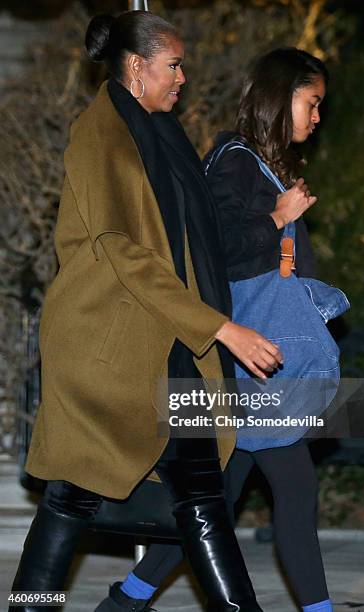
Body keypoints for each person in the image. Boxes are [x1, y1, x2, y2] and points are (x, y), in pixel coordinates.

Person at [8, 11, 286, 612]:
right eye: (174, 65)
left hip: (172, 347)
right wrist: (221, 328)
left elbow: (190, 244)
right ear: (137, 66)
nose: (183, 77)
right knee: (72, 498)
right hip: (111, 353)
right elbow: (121, 250)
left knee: (201, 496)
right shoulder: (102, 135)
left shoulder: (162, 134)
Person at [96, 48, 334, 612]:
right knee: (293, 493)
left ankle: (125, 601)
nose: (318, 117)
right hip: (244, 357)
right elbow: (213, 252)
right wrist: (277, 219)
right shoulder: (234, 160)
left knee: (216, 500)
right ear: (282, 96)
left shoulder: (260, 165)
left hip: (257, 361)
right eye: (312, 102)